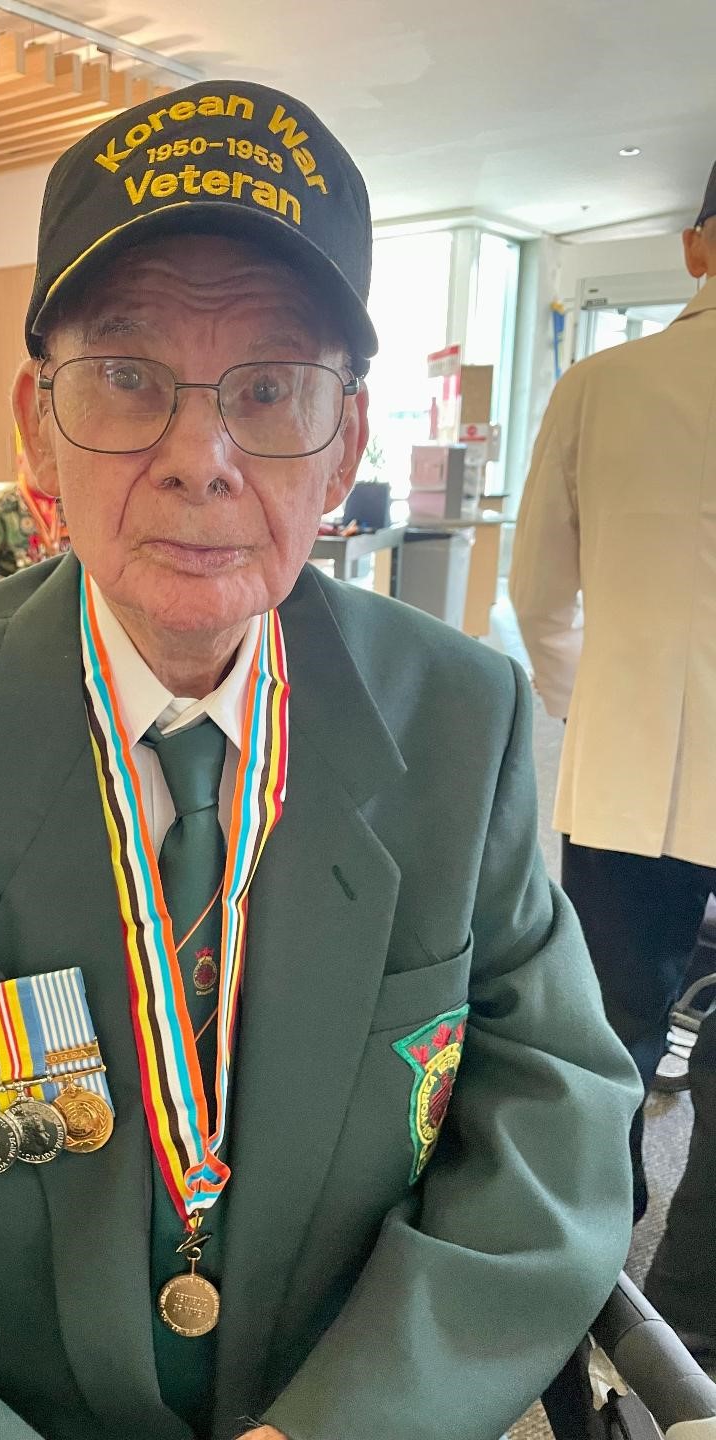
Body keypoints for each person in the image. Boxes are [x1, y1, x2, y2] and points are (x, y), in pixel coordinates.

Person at [0, 81, 639, 1440]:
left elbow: (557, 1105)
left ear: (345, 444)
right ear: (35, 425)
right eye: (126, 378)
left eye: (272, 389)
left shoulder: (464, 725)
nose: (201, 459)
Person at [510, 162, 716, 1354]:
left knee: (608, 1040)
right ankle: (698, 1302)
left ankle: (597, 1266)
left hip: (632, 772)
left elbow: (540, 587)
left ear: (695, 250)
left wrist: (593, 701)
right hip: (637, 757)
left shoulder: (601, 382)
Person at [0, 449, 70, 590]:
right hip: (19, 603)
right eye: (38, 459)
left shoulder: (70, 505)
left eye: (53, 462)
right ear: (20, 462)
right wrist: (10, 596)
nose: (45, 468)